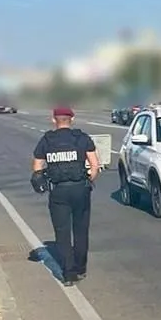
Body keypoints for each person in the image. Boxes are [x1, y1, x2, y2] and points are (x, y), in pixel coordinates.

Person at [30, 107, 99, 286]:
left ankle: (68, 274)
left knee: (62, 233)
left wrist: (43, 180)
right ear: (72, 119)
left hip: (58, 191)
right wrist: (87, 181)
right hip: (80, 189)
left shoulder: (47, 140)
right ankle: (81, 268)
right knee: (81, 230)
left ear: (54, 120)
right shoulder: (82, 138)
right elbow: (95, 165)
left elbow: (37, 167)